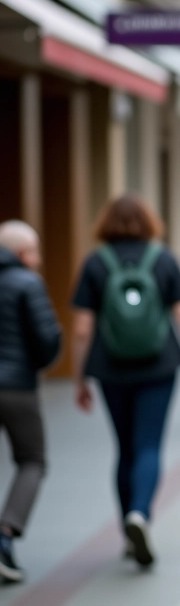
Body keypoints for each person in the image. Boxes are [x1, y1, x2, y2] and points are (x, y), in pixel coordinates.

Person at [70, 195, 180, 568]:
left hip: (110, 367)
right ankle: (140, 514)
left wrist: (79, 377)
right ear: (149, 222)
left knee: (125, 449)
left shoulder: (96, 262)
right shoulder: (162, 259)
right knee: (148, 444)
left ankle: (127, 530)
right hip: (159, 366)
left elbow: (83, 328)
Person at [0, 221, 61, 583]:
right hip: (17, 388)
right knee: (32, 460)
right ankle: (6, 535)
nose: (38, 260)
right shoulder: (27, 282)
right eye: (36, 252)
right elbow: (46, 340)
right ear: (23, 254)